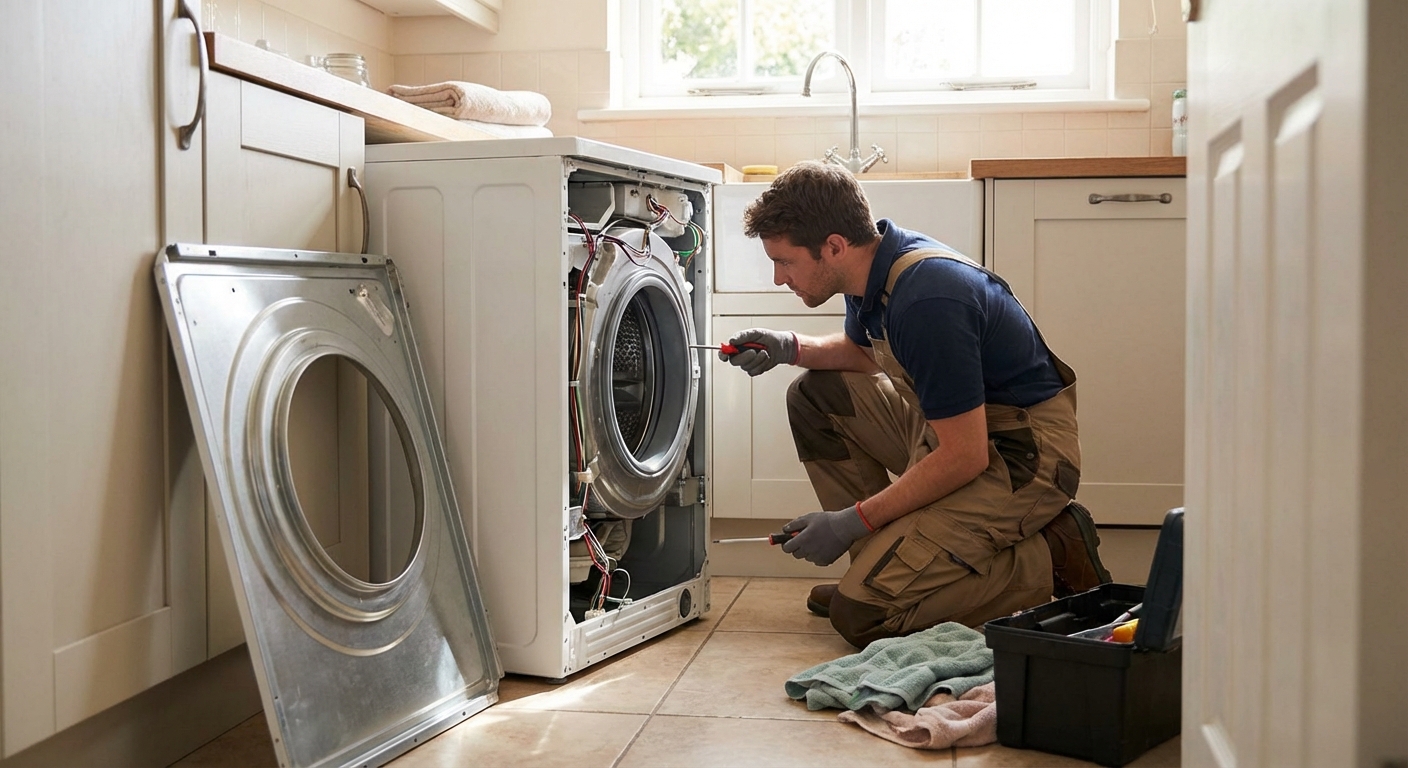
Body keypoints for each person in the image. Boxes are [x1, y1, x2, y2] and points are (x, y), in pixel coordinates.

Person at [720, 161, 1111, 648]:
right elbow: (864, 354)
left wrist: (852, 521)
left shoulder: (929, 299)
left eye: (785, 261)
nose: (779, 278)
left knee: (864, 618)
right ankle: (877, 567)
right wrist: (787, 346)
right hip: (953, 431)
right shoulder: (870, 272)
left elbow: (965, 456)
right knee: (816, 394)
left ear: (834, 246)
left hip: (1020, 457)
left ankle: (1048, 558)